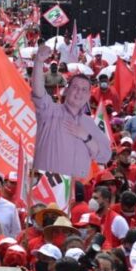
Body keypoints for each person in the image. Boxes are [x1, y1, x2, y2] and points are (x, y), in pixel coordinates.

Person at [31, 43, 112, 177]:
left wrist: (86, 137)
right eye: (75, 87)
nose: (79, 92)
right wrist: (38, 62)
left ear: (88, 96)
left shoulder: (89, 124)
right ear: (67, 90)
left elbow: (105, 156)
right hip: (46, 190)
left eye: (84, 90)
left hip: (74, 192)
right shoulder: (50, 111)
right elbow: (39, 93)